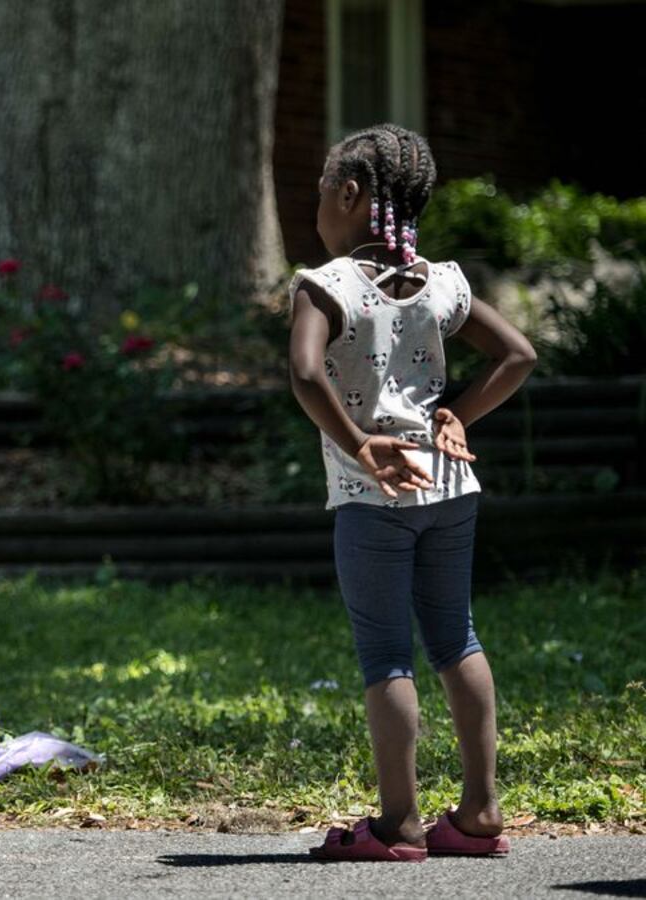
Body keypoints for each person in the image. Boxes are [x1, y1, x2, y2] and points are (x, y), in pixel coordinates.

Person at [287, 124, 538, 862]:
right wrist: (457, 411)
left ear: (350, 195)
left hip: (373, 497)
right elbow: (518, 354)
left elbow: (306, 374)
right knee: (456, 637)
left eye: (321, 196)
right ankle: (481, 811)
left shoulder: (325, 286)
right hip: (452, 485)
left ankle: (398, 824)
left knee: (384, 654)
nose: (318, 211)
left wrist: (360, 443)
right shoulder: (445, 281)